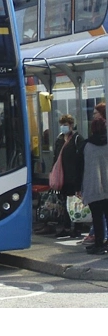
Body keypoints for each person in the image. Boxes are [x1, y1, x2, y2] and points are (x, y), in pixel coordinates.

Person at [50, 114, 85, 237]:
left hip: (74, 176)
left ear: (71, 125)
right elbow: (55, 157)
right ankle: (66, 226)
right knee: (65, 203)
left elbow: (81, 158)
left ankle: (77, 228)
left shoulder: (77, 139)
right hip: (62, 177)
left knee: (75, 203)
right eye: (62, 125)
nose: (63, 127)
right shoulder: (59, 139)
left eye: (65, 125)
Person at [80, 104, 108, 255]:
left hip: (93, 186)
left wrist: (79, 187)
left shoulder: (86, 145)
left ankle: (99, 244)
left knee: (97, 217)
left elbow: (80, 168)